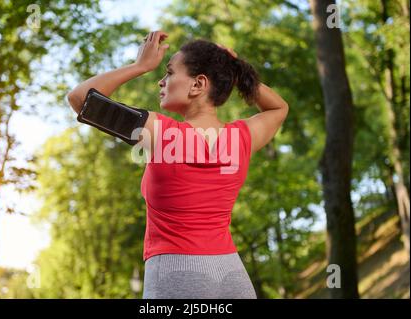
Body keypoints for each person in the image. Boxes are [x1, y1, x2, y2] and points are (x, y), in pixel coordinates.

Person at [67, 30, 289, 299]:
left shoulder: (160, 132)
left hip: (176, 274)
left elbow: (80, 99)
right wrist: (238, 69)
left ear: (198, 85)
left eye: (169, 73)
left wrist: (140, 66)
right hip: (233, 276)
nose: (160, 81)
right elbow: (279, 108)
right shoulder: (241, 137)